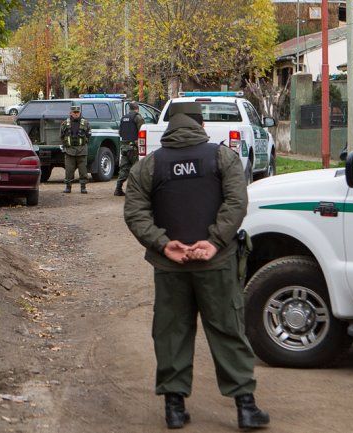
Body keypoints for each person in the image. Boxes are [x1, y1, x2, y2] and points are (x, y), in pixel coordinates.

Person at [124, 102, 269, 430]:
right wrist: (214, 242)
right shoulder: (222, 157)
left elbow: (135, 212)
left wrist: (163, 243)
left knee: (171, 332)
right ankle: (246, 408)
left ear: (170, 126)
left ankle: (174, 409)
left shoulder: (149, 165)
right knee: (228, 329)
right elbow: (237, 202)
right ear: (201, 124)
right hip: (216, 263)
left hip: (170, 265)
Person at [60, 104, 91, 194]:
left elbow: (89, 135)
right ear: (71, 113)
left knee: (83, 170)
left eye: (77, 112)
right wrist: (66, 145)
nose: (76, 114)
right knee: (69, 170)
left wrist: (84, 142)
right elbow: (61, 136)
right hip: (69, 151)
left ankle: (83, 187)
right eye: (74, 112)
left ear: (80, 113)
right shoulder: (65, 123)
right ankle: (68, 187)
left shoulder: (86, 123)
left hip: (82, 150)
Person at [116, 102, 145, 196]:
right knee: (137, 169)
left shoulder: (123, 118)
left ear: (129, 109)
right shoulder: (138, 117)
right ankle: (136, 191)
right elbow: (142, 131)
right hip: (134, 148)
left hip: (124, 147)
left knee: (124, 169)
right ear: (137, 108)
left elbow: (120, 132)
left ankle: (118, 189)